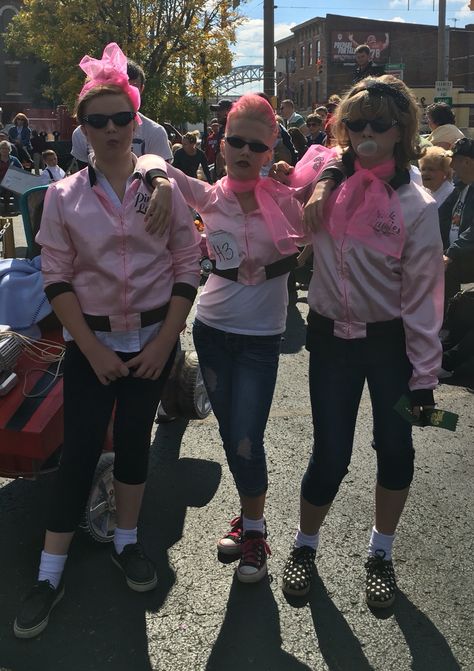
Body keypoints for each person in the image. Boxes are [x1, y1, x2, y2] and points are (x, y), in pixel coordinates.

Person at [13, 42, 201, 639]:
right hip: (91, 347)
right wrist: (91, 350)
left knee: (137, 450)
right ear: (83, 128)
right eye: (99, 119)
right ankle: (48, 573)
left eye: (124, 117)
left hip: (151, 341)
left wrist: (163, 345)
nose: (114, 129)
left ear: (137, 119)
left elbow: (186, 263)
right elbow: (56, 275)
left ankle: (127, 542)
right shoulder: (64, 197)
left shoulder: (161, 183)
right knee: (78, 454)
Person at [281, 76, 444, 609]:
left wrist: (424, 378)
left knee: (395, 446)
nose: (367, 133)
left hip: (389, 347)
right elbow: (279, 189)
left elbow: (423, 297)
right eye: (356, 123)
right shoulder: (323, 183)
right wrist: (327, 173)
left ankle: (381, 552)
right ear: (343, 128)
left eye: (380, 124)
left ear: (402, 131)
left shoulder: (417, 205)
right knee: (330, 451)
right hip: (331, 341)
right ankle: (305, 546)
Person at [142, 93, 314, 584]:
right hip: (212, 332)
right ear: (221, 144)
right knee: (228, 433)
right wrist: (157, 179)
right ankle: (249, 521)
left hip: (261, 339)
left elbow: (320, 228)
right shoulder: (208, 196)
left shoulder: (285, 198)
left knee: (245, 437)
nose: (243, 151)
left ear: (269, 149)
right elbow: (152, 159)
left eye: (254, 145)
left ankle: (255, 532)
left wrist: (276, 264)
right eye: (235, 141)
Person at [70, 58, 173, 168]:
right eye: (98, 122)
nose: (111, 128)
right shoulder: (80, 134)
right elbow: (82, 175)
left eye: (132, 87)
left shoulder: (155, 132)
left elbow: (164, 172)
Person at [441, 137, 474, 312]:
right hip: (454, 260)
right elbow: (440, 217)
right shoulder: (461, 188)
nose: (452, 166)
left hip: (464, 263)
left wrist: (451, 253)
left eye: (455, 161)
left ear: (467, 162)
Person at [0, 139, 23, 214]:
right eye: (3, 148)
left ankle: (17, 209)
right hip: (0, 181)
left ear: (9, 149)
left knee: (18, 191)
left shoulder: (14, 159)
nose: (4, 150)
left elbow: (21, 169)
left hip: (11, 181)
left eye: (6, 148)